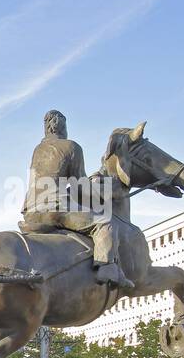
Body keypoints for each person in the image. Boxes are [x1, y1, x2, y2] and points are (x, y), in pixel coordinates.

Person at [20, 110, 133, 291]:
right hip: (54, 208)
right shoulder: (71, 147)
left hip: (30, 212)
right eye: (65, 126)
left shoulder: (38, 149)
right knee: (104, 222)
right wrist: (109, 191)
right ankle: (107, 268)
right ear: (61, 126)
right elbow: (79, 186)